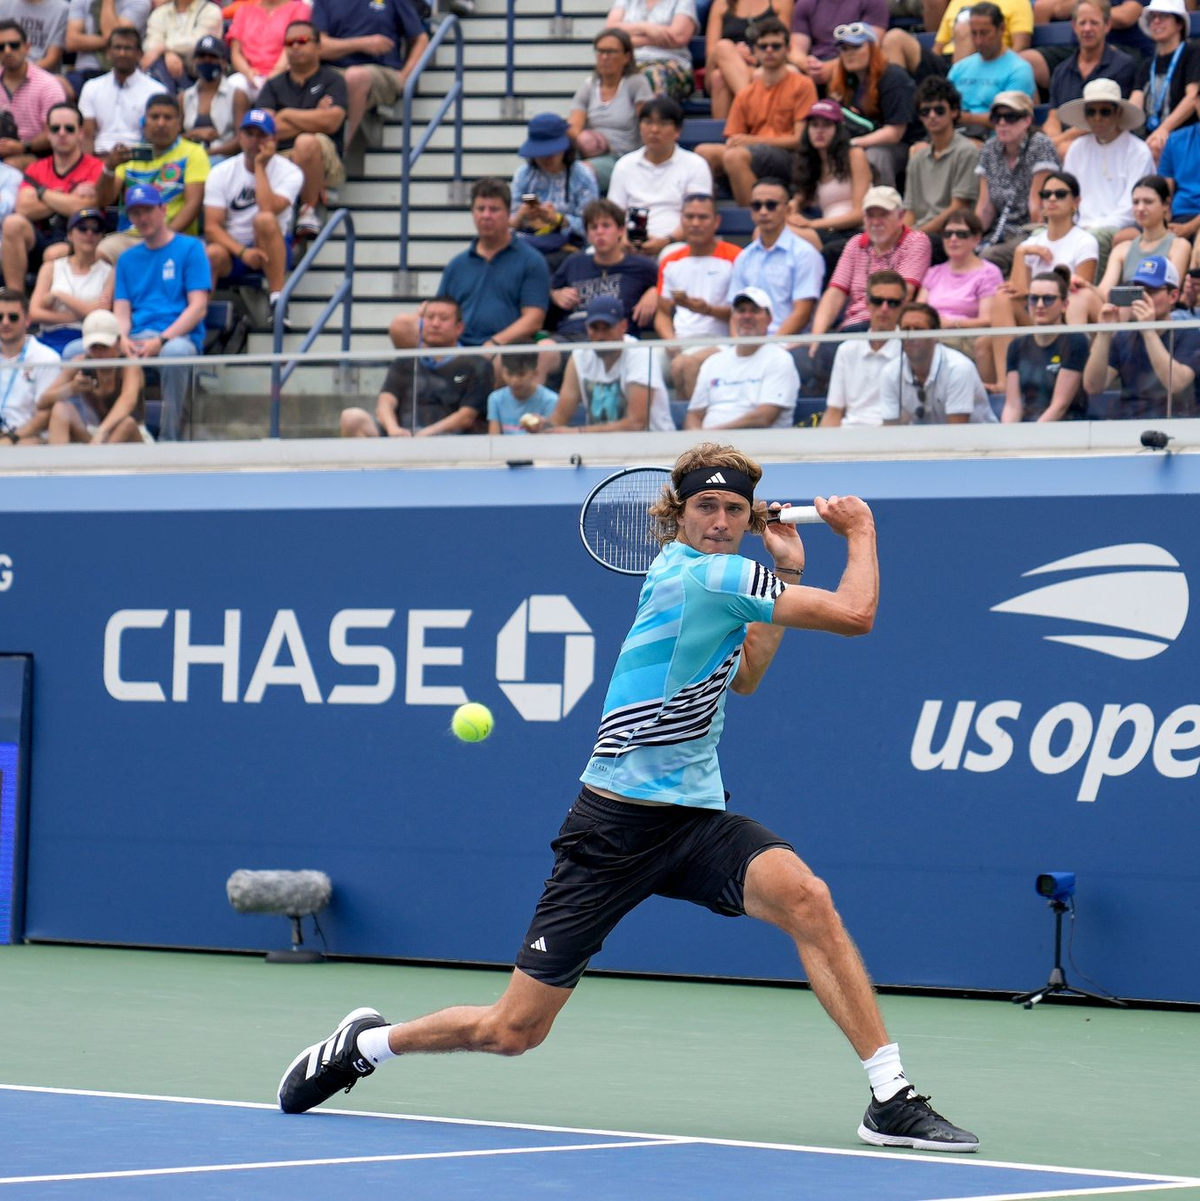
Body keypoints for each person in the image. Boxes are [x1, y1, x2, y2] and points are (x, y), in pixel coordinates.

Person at [277, 439, 979, 1158]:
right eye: (705, 506)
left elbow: (748, 675)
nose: (719, 519)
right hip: (612, 829)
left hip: (696, 818)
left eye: (733, 508)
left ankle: (891, 1096)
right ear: (676, 514)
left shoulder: (726, 576)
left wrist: (791, 568)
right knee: (512, 1030)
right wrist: (859, 531)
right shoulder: (705, 575)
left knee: (808, 897)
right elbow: (857, 613)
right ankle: (369, 1043)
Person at [389, 178, 549, 354]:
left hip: (503, 351)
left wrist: (495, 343)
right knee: (401, 325)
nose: (486, 216)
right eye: (480, 209)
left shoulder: (532, 261)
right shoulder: (457, 265)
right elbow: (443, 310)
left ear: (508, 213)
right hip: (457, 347)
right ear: (472, 213)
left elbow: (533, 319)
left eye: (494, 209)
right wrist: (428, 311)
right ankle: (434, 370)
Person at [111, 182, 211, 441]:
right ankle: (93, 437)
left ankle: (169, 439)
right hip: (136, 335)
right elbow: (121, 310)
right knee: (75, 352)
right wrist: (121, 338)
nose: (142, 218)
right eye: (135, 213)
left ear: (163, 209)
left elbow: (198, 307)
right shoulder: (127, 259)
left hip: (177, 337)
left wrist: (161, 340)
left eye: (148, 210)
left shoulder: (191, 248)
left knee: (175, 353)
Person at [807, 185, 931, 387]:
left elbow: (902, 294)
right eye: (870, 216)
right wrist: (816, 338)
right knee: (817, 358)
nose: (876, 222)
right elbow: (835, 293)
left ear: (900, 217)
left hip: (889, 324)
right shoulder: (856, 243)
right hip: (852, 327)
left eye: (883, 215)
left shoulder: (915, 241)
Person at [989, 169, 1097, 383]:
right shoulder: (1032, 243)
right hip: (1037, 313)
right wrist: (1021, 252)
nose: (1052, 199)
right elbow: (1018, 292)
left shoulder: (1085, 241)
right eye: (1046, 195)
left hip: (1067, 314)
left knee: (1074, 297)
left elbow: (1082, 289)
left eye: (1060, 194)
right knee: (1002, 298)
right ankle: (1004, 382)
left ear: (1076, 201)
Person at [694, 15, 815, 206]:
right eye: (762, 46)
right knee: (703, 152)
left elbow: (801, 140)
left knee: (735, 156)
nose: (769, 50)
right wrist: (748, 143)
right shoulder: (747, 92)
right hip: (753, 155)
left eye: (776, 46)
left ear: (787, 49)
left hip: (791, 158)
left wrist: (754, 141)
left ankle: (754, 219)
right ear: (755, 52)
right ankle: (703, 214)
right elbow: (734, 138)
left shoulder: (803, 85)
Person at [341, 295, 492, 437]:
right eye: (429, 317)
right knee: (352, 418)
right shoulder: (406, 361)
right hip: (403, 439)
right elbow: (385, 403)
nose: (435, 324)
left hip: (451, 442)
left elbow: (466, 417)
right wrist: (394, 430)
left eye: (443, 318)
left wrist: (427, 433)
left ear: (459, 328)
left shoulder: (477, 364)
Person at [254, 19, 347, 240]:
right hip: (278, 155)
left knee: (306, 142)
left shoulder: (334, 79)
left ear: (319, 46)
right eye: (290, 42)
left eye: (303, 41)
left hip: (324, 158)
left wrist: (286, 115)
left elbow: (331, 123)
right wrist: (314, 115)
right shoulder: (273, 84)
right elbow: (264, 131)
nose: (295, 46)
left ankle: (308, 210)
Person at [203, 108, 303, 311]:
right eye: (249, 134)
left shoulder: (291, 172)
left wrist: (259, 166)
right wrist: (243, 252)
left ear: (273, 139)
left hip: (273, 249)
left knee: (264, 220)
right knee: (212, 252)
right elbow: (212, 227)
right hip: (234, 250)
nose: (255, 141)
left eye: (261, 135)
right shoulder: (221, 172)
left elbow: (267, 209)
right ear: (239, 136)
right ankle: (198, 321)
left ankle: (278, 300)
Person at [95, 91, 211, 262]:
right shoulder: (129, 155)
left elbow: (193, 205)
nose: (161, 123)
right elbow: (103, 200)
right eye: (154, 117)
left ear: (179, 124)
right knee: (101, 251)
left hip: (175, 236)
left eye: (168, 117)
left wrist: (163, 238)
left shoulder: (193, 152)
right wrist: (110, 168)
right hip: (131, 237)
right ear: (144, 121)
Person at [1082, 255, 1199, 417]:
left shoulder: (1189, 333)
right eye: (1138, 291)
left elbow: (1176, 384)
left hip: (1177, 425)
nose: (1143, 299)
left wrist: (1148, 330)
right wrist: (1104, 333)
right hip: (1130, 425)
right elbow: (1093, 386)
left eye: (1151, 291)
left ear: (1172, 296)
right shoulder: (1123, 336)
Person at [1067, 174, 1192, 324]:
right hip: (1126, 316)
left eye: (1148, 202)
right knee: (1080, 295)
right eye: (1135, 202)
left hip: (1158, 315)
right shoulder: (1122, 248)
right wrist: (1084, 285)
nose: (1140, 208)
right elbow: (1105, 292)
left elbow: (1169, 294)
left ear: (1166, 204)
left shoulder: (1178, 245)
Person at [2, 100, 101, 289]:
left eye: (69, 129)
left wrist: (41, 194)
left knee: (54, 254)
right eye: (55, 128)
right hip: (40, 235)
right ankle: (16, 302)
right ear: (47, 132)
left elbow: (82, 207)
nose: (62, 133)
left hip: (77, 238)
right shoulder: (36, 168)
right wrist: (70, 194)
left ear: (81, 132)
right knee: (12, 223)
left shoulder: (95, 167)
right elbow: (23, 207)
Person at [1059, 79, 1155, 268]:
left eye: (1104, 112)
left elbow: (1132, 207)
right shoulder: (1077, 148)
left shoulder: (1138, 151)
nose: (1097, 118)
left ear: (1118, 112)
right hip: (1079, 226)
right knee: (1038, 237)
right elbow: (1067, 196)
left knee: (1094, 240)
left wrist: (1090, 228)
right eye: (1091, 112)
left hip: (1120, 229)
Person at [312, 0, 426, 152]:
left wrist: (405, 77)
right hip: (333, 70)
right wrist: (362, 44)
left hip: (381, 71)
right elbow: (319, 46)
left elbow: (420, 39)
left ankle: (339, 153)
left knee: (355, 76)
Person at [656, 191, 740, 398]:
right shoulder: (670, 260)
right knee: (638, 365)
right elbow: (663, 313)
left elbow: (742, 313)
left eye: (702, 217)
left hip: (720, 343)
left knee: (684, 364)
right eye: (689, 217)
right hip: (679, 342)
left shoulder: (736, 257)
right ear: (681, 220)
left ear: (716, 221)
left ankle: (693, 426)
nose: (695, 223)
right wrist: (670, 341)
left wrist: (708, 310)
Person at [544, 294, 671, 431]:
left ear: (623, 326)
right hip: (598, 447)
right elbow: (560, 417)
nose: (600, 336)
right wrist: (544, 427)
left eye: (606, 328)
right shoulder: (579, 357)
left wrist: (578, 432)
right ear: (587, 328)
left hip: (651, 446)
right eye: (595, 328)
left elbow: (637, 423)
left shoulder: (640, 353)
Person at [607, 95, 713, 258]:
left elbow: (697, 216)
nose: (654, 130)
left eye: (663, 124)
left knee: (669, 255)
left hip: (675, 244)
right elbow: (613, 213)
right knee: (594, 253)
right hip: (629, 243)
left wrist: (666, 241)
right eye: (648, 122)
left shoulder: (695, 165)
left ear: (678, 131)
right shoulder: (624, 165)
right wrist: (622, 239)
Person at [685, 286, 800, 429]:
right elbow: (694, 415)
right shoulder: (713, 362)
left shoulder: (780, 359)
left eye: (754, 311)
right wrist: (698, 445)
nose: (747, 316)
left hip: (760, 447)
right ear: (733, 317)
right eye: (741, 311)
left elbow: (764, 417)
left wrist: (711, 437)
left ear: (769, 319)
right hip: (711, 448)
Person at [727, 176, 825, 339]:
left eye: (771, 205)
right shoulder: (743, 257)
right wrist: (739, 348)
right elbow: (735, 313)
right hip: (748, 345)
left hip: (790, 344)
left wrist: (768, 347)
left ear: (787, 210)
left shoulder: (805, 254)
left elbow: (802, 313)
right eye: (757, 206)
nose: (763, 211)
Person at [547, 197, 657, 341]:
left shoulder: (641, 266)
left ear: (621, 231)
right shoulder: (574, 262)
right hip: (570, 337)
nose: (599, 232)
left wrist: (655, 291)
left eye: (606, 226)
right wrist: (555, 295)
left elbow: (670, 283)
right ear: (587, 235)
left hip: (615, 339)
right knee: (545, 348)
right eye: (593, 227)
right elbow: (545, 289)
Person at [974, 90, 1059, 273]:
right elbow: (985, 207)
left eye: (1010, 117)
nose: (1002, 123)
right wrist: (967, 236)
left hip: (1030, 230)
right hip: (997, 231)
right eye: (997, 118)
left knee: (989, 257)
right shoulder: (989, 149)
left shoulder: (1040, 145)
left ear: (1027, 121)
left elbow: (1037, 209)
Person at [1039, 0, 1136, 157]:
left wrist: (1059, 142)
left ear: (1107, 25)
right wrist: (1053, 139)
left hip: (1105, 144)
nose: (1087, 29)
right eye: (1082, 22)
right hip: (1063, 147)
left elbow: (1109, 118)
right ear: (1074, 26)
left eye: (1094, 23)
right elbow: (1053, 116)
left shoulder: (1123, 65)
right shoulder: (1061, 70)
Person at [824, 22, 914, 189]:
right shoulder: (848, 83)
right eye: (844, 49)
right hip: (867, 139)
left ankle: (885, 208)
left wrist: (856, 143)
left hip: (906, 145)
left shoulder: (893, 77)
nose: (849, 54)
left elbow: (895, 133)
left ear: (872, 48)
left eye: (856, 47)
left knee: (874, 156)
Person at [917, 209, 1002, 383]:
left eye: (961, 234)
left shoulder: (989, 273)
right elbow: (918, 311)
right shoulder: (933, 272)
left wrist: (952, 324)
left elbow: (988, 320)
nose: (953, 239)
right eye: (947, 234)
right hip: (933, 334)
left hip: (966, 337)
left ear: (976, 239)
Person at [786, 98, 869, 277]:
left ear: (838, 130)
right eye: (814, 125)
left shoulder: (854, 154)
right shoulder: (812, 163)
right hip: (828, 232)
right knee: (768, 228)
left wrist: (813, 224)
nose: (819, 131)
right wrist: (793, 205)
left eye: (826, 125)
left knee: (778, 233)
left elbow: (860, 214)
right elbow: (803, 195)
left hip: (854, 233)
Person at [38, 307, 146, 442]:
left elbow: (128, 400)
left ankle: (100, 460)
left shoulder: (130, 365)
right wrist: (72, 388)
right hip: (95, 434)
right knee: (61, 409)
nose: (99, 353)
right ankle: (58, 462)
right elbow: (42, 402)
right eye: (94, 347)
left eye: (104, 347)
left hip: (131, 436)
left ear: (118, 342)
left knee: (126, 423)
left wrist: (102, 432)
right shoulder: (80, 362)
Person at [567, 28, 653, 194]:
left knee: (582, 172)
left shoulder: (636, 83)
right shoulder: (589, 86)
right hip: (591, 155)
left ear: (627, 57)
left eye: (611, 52)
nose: (605, 57)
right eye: (600, 51)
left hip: (623, 157)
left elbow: (647, 122)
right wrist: (589, 142)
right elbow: (573, 128)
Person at [509, 112, 600, 265]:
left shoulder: (582, 175)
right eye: (540, 153)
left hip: (570, 250)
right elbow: (508, 224)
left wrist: (558, 219)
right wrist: (522, 215)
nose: (546, 158)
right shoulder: (524, 175)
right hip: (529, 244)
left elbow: (591, 226)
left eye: (552, 152)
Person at [882, 301, 995, 424]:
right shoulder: (891, 372)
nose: (911, 336)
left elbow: (957, 434)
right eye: (906, 330)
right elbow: (890, 428)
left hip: (978, 441)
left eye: (918, 330)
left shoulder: (958, 369)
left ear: (936, 334)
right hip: (923, 441)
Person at [1001, 267, 1088, 421]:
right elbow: (1012, 405)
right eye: (1034, 298)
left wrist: (1031, 439)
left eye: (1048, 299)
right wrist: (1009, 438)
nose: (1040, 305)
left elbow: (1059, 405)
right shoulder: (1016, 345)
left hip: (1067, 429)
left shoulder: (1075, 341)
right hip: (1028, 429)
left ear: (1064, 305)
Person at [903, 77, 980, 250]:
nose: (932, 116)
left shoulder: (966, 151)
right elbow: (910, 212)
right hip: (920, 233)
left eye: (939, 110)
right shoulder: (917, 157)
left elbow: (958, 208)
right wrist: (900, 238)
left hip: (949, 235)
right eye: (925, 111)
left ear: (953, 112)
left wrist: (914, 237)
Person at [820, 268, 905, 425]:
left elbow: (907, 417)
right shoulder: (847, 350)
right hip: (847, 439)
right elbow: (833, 411)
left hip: (893, 440)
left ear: (903, 306)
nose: (884, 308)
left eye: (892, 303)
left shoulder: (910, 352)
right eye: (878, 301)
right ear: (867, 303)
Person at [28, 205, 111, 353]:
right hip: (49, 336)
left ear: (102, 236)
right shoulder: (51, 267)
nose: (89, 233)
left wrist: (59, 295)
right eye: (82, 228)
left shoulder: (109, 272)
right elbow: (34, 313)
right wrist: (74, 316)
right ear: (70, 235)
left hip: (87, 339)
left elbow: (100, 312)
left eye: (96, 229)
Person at [947, 3, 1035, 139]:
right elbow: (943, 107)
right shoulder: (960, 68)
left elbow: (1011, 118)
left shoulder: (1019, 69)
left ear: (1001, 29)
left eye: (984, 33)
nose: (978, 41)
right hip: (955, 136)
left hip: (996, 141)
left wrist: (961, 117)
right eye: (973, 33)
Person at [1129, 0, 1200, 164]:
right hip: (1151, 141)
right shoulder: (1148, 64)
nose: (1156, 21)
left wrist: (1164, 129)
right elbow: (1135, 102)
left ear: (1179, 24)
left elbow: (1192, 98)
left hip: (1185, 139)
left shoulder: (1193, 53)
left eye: (1163, 16)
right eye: (1153, 17)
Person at [705, 0, 795, 118]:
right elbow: (711, 52)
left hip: (765, 66)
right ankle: (753, 108)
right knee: (723, 46)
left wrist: (755, 58)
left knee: (719, 77)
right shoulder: (721, 3)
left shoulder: (781, 2)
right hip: (725, 63)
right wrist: (735, 53)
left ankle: (725, 134)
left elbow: (783, 45)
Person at [78, 27, 160, 155]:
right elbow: (88, 136)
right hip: (100, 158)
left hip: (138, 159)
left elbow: (155, 140)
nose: (122, 53)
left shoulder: (156, 91)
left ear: (139, 54)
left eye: (128, 48)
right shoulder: (91, 87)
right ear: (108, 53)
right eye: (117, 48)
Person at [604, 0, 699, 100]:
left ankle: (656, 115)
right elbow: (611, 32)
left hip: (670, 64)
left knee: (653, 76)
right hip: (630, 63)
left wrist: (628, 38)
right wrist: (646, 27)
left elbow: (678, 37)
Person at [0, 19, 64, 167]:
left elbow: (57, 132)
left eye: (14, 45)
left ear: (27, 47)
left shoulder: (48, 85)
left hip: (38, 155)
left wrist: (24, 146)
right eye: (1, 47)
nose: (7, 51)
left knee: (10, 165)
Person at [0, 285, 59, 443]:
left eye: (13, 317)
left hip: (28, 437)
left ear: (27, 321)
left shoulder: (47, 358)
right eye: (0, 317)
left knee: (25, 445)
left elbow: (44, 414)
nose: (5, 322)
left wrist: (11, 438)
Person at [181, 34, 251, 163]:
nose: (207, 60)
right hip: (187, 158)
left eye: (213, 57)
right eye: (201, 56)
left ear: (224, 62)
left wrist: (207, 154)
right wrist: (194, 134)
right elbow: (174, 138)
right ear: (194, 61)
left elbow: (241, 138)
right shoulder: (184, 97)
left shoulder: (237, 95)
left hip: (224, 160)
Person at [64, 0, 154, 98]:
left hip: (120, 72)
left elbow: (113, 36)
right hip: (84, 71)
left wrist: (107, 2)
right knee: (58, 86)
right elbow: (71, 42)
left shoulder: (139, 2)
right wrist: (108, 42)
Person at [790, 0, 886, 89]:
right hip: (815, 61)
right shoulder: (806, 3)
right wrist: (808, 65)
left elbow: (872, 45)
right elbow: (796, 50)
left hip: (849, 58)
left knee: (839, 71)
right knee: (790, 71)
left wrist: (832, 67)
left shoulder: (873, 2)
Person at [227, 0, 310, 93]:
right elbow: (235, 52)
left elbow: (294, 44)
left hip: (284, 74)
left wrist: (276, 72)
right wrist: (247, 71)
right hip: (250, 76)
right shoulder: (244, 10)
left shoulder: (299, 8)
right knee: (233, 85)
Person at [141, 0, 223, 92]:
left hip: (197, 73)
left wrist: (162, 48)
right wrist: (167, 53)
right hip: (165, 68)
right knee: (156, 64)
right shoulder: (159, 13)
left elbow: (198, 42)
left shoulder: (211, 10)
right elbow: (150, 45)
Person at [486, 351, 558, 435]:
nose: (514, 381)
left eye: (521, 374)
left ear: (535, 373)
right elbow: (494, 439)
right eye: (509, 374)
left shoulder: (551, 400)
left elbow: (550, 440)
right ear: (502, 372)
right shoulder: (495, 399)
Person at [1159, 120, 1200, 240]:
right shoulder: (1175, 139)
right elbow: (1165, 187)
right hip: (1179, 216)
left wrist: (1189, 227)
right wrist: (1164, 221)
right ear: (1196, 103)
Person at [0, 0, 67, 73]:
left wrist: (22, 72)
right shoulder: (4, 5)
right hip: (5, 71)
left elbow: (52, 59)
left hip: (43, 74)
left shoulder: (61, 9)